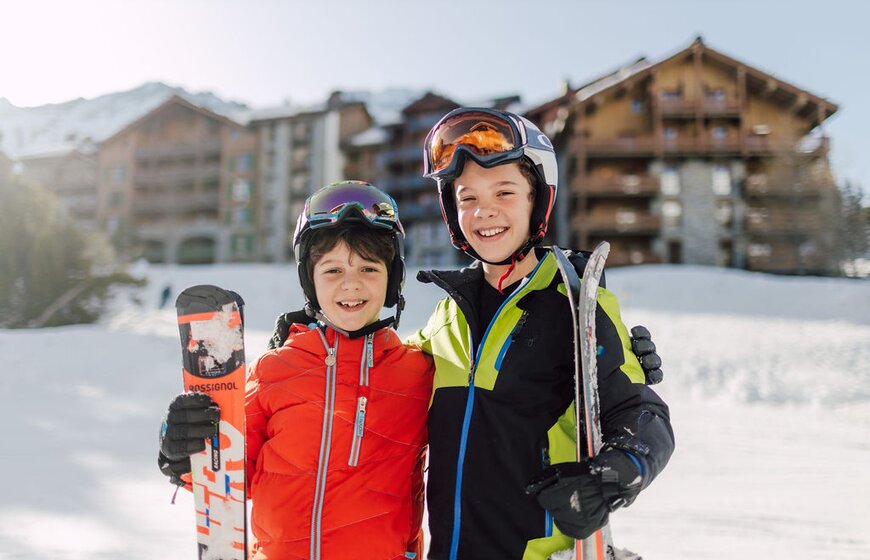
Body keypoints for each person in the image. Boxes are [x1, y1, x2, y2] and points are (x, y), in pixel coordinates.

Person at [407, 107, 675, 559]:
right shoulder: (447, 314)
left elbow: (644, 416)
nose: (483, 211)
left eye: (504, 192)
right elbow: (385, 380)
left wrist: (612, 475)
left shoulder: (572, 306)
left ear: (538, 200)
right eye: (467, 197)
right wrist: (322, 334)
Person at [158, 181, 433, 560]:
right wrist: (183, 450)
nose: (351, 284)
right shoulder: (276, 370)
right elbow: (230, 472)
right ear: (310, 281)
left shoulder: (418, 372)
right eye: (332, 270)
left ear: (392, 280)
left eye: (369, 268)